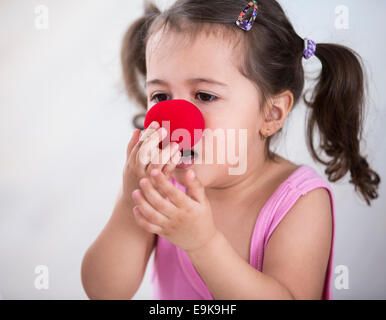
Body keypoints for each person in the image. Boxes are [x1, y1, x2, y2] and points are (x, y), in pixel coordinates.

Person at [81, 0, 381, 300]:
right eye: (161, 96)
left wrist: (203, 244)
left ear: (271, 114)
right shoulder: (160, 185)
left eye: (204, 95)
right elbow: (105, 292)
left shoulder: (299, 201)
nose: (176, 119)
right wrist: (128, 205)